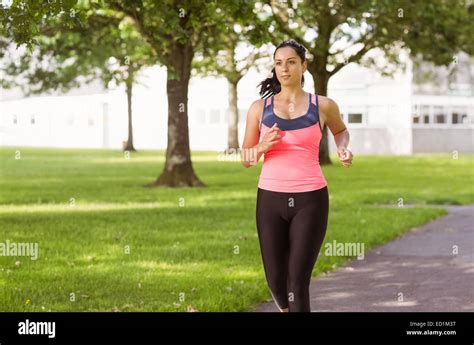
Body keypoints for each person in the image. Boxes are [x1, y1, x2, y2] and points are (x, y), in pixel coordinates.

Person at [240, 39, 353, 312]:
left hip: (310, 200)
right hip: (269, 200)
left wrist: (343, 148)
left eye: (291, 62)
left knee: (297, 282)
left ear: (304, 66)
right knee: (276, 282)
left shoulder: (323, 105)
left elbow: (340, 131)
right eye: (279, 63)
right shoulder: (259, 108)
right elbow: (246, 159)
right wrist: (263, 146)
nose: (284, 69)